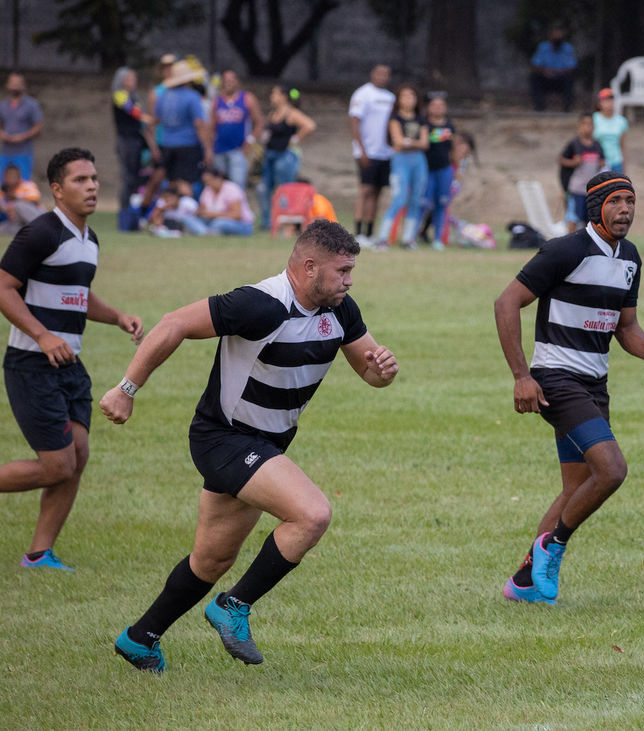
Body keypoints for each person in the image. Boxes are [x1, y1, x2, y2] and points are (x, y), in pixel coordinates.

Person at [105, 220, 399, 673]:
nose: (349, 280)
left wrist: (384, 369)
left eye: (351, 270)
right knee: (312, 513)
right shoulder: (260, 305)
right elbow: (174, 323)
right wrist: (126, 389)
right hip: (223, 438)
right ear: (308, 267)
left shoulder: (341, 310)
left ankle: (139, 638)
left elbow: (370, 372)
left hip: (264, 444)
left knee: (211, 558)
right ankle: (233, 606)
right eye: (342, 271)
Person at [495, 171, 644, 606]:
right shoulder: (565, 250)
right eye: (616, 201)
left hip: (595, 383)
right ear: (596, 207)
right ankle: (551, 547)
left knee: (577, 488)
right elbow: (506, 303)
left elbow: (625, 326)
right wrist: (522, 376)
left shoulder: (630, 257)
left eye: (630, 201)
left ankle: (523, 583)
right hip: (556, 378)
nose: (625, 209)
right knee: (611, 470)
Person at [0, 148, 143, 571]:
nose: (93, 186)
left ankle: (39, 554)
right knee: (57, 465)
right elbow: (5, 288)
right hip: (31, 363)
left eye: (95, 178)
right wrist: (42, 335)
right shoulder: (40, 233)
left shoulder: (89, 240)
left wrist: (116, 316)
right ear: (57, 190)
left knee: (76, 458)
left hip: (70, 365)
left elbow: (77, 295)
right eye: (81, 180)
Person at [375, 84, 429, 250]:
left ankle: (408, 239)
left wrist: (408, 143)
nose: (408, 100)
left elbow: (425, 143)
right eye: (404, 96)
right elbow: (397, 142)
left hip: (418, 161)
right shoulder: (395, 118)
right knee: (399, 199)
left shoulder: (421, 118)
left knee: (416, 200)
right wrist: (412, 143)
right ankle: (382, 238)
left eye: (411, 96)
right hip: (400, 161)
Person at [349, 65, 395, 246]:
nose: (382, 77)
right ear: (372, 74)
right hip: (367, 151)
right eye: (379, 73)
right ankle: (358, 233)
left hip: (385, 152)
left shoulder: (390, 98)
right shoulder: (362, 94)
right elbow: (354, 121)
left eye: (386, 74)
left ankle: (369, 232)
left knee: (377, 192)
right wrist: (361, 149)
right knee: (365, 190)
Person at [259, 86, 316, 231]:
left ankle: (287, 223)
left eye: (275, 94)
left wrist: (295, 139)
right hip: (270, 155)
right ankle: (268, 223)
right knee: (264, 189)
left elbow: (309, 125)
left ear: (284, 96)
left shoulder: (291, 113)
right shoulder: (273, 114)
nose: (272, 96)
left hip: (284, 157)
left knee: (285, 190)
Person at [111, 67, 160, 232]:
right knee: (128, 180)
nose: (134, 81)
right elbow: (133, 112)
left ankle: (135, 218)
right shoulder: (119, 94)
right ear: (123, 80)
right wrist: (150, 119)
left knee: (137, 180)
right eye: (131, 78)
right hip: (126, 141)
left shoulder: (134, 95)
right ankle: (125, 220)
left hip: (136, 141)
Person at [151, 61, 212, 193]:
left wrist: (154, 146)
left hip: (167, 145)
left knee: (172, 183)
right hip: (188, 145)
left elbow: (154, 121)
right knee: (186, 183)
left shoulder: (163, 96)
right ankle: (185, 212)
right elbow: (199, 124)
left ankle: (173, 211)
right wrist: (207, 148)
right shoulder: (193, 97)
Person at [209, 70, 263, 191]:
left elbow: (259, 122)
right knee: (221, 186)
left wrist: (250, 140)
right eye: (226, 80)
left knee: (237, 186)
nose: (228, 83)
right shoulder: (217, 101)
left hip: (238, 149)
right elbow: (211, 126)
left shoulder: (247, 98)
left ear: (237, 82)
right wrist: (210, 147)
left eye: (231, 80)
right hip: (219, 150)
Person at [419, 93, 455, 247]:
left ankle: (437, 239)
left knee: (442, 204)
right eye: (434, 105)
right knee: (424, 204)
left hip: (444, 170)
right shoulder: (424, 124)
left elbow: (453, 149)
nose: (438, 108)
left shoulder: (450, 126)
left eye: (441, 105)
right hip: (427, 170)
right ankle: (413, 236)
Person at [557, 113, 603, 233]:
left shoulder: (597, 145)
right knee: (573, 219)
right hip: (577, 189)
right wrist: (574, 162)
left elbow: (602, 161)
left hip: (591, 190)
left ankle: (587, 247)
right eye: (585, 124)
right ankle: (569, 247)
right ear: (579, 126)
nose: (588, 127)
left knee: (588, 222)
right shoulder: (574, 144)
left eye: (591, 124)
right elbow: (561, 160)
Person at [180, 168, 254, 236]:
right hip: (213, 221)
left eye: (209, 180)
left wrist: (213, 215)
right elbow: (203, 209)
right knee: (188, 218)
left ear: (218, 178)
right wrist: (199, 213)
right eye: (205, 182)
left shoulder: (231, 189)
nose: (207, 184)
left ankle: (205, 231)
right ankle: (206, 233)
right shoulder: (207, 190)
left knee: (219, 223)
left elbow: (237, 215)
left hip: (241, 224)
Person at [0, 74, 43, 182]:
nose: (15, 86)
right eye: (12, 83)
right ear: (7, 85)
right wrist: (2, 134)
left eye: (17, 83)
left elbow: (38, 126)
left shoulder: (32, 105)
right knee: (3, 182)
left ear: (23, 86)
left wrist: (22, 137)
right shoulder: (3, 106)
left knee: (23, 181)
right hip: (6, 151)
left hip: (23, 152)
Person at [529, 25, 577, 112]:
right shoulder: (543, 47)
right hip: (545, 77)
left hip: (561, 78)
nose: (557, 37)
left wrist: (558, 72)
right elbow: (535, 65)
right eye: (555, 35)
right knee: (534, 77)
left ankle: (567, 109)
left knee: (569, 79)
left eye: (559, 35)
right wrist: (545, 71)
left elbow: (571, 67)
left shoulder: (567, 48)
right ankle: (539, 108)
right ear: (550, 36)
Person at [0, 163, 44, 234]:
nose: (11, 179)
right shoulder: (3, 191)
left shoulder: (27, 185)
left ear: (19, 177)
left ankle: (42, 227)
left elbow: (35, 202)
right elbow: (4, 209)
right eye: (9, 177)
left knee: (18, 205)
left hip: (36, 217)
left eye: (13, 177)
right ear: (4, 177)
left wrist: (15, 198)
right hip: (18, 223)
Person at [592, 88, 628, 174]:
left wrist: (624, 166)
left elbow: (622, 145)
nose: (609, 103)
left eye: (611, 100)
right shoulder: (593, 119)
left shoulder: (621, 121)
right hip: (599, 161)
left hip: (616, 161)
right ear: (599, 103)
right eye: (605, 100)